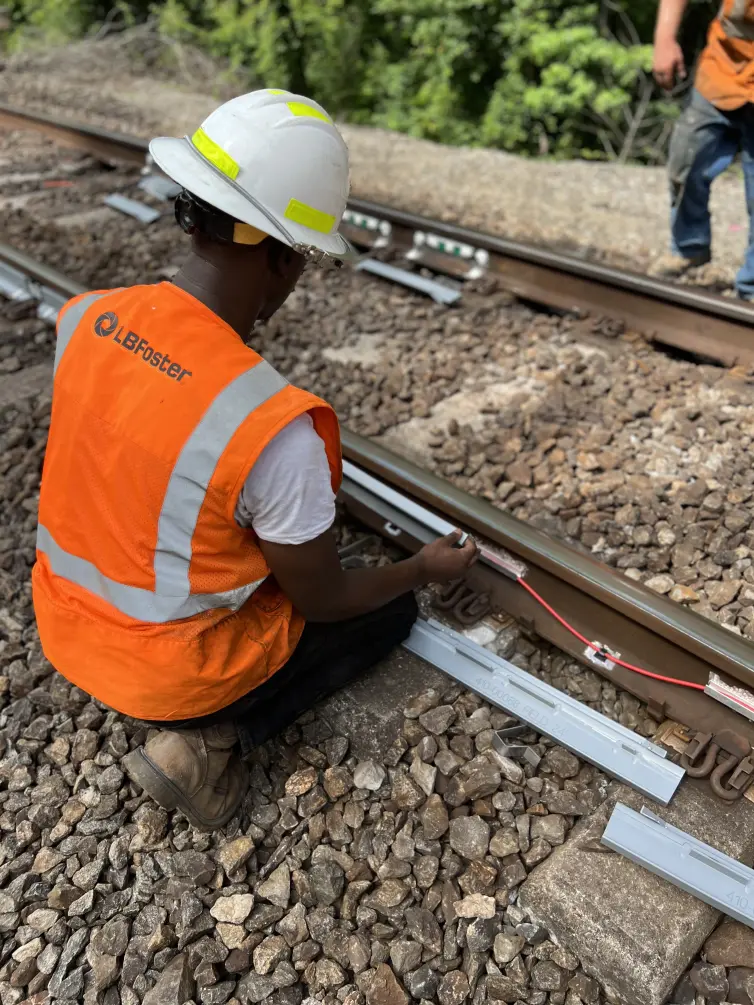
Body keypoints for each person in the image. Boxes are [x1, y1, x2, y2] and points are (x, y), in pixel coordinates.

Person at [32, 90, 479, 830]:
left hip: (62, 623)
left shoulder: (86, 319)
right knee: (386, 610)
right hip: (161, 675)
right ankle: (210, 742)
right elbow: (324, 602)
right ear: (280, 258)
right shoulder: (272, 428)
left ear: (193, 210)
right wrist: (420, 571)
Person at [650, 0, 754, 299]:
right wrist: (664, 38)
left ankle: (751, 287)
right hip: (723, 71)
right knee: (686, 157)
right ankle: (689, 245)